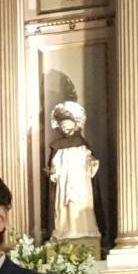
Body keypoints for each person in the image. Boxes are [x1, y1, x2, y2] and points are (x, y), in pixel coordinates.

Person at [47, 101, 101, 242]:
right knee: (64, 207)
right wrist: (53, 171)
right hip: (64, 181)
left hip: (79, 181)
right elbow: (54, 163)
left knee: (81, 204)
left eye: (67, 123)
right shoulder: (57, 146)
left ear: (74, 124)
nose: (64, 127)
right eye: (62, 125)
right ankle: (64, 231)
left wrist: (91, 162)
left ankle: (83, 231)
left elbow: (88, 158)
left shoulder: (81, 143)